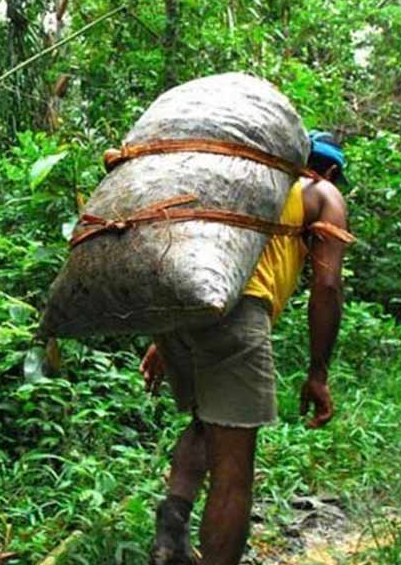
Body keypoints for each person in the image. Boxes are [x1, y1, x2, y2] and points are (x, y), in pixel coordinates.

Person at [139, 132, 351, 565]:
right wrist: (318, 372)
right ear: (328, 170)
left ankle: (171, 530)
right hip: (236, 313)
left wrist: (164, 338)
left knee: (203, 422)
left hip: (180, 309)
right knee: (234, 470)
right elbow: (327, 286)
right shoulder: (321, 193)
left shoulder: (239, 183)